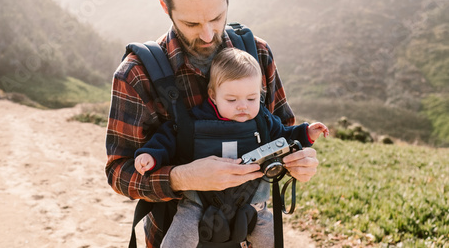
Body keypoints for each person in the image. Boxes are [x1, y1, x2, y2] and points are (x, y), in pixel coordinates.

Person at [105, 0, 320, 248]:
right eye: (191, 23)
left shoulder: (256, 53)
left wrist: (298, 162)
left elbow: (282, 134)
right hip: (177, 235)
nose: (207, 35)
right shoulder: (136, 74)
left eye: (217, 18)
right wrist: (182, 178)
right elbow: (118, 172)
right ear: (165, 7)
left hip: (248, 232)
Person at [133, 47, 329, 247]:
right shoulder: (195, 119)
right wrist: (151, 155)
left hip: (253, 201)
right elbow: (168, 138)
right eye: (232, 100)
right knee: (181, 233)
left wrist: (306, 133)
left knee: (269, 236)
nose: (242, 106)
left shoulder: (263, 119)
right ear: (213, 95)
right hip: (198, 201)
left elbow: (285, 137)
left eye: (251, 98)